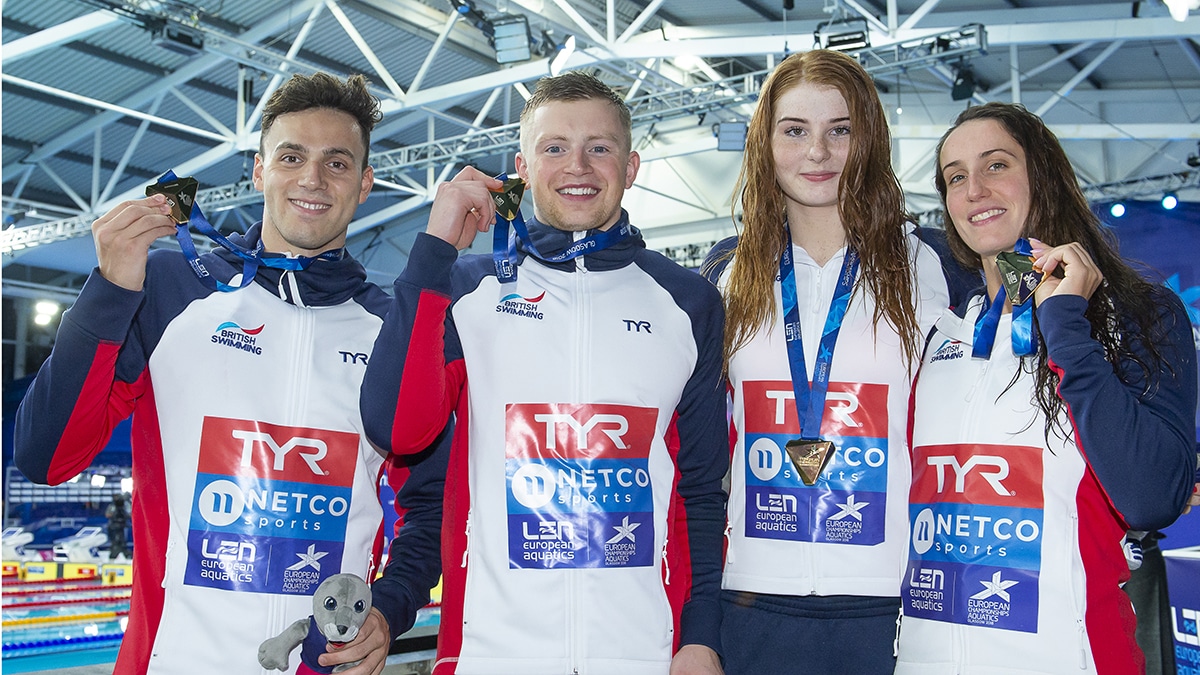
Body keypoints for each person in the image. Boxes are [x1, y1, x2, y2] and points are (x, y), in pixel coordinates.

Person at [13, 72, 446, 675]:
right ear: (259, 171)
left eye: (338, 163)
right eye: (291, 156)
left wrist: (393, 606)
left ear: (366, 184)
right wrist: (108, 290)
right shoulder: (171, 290)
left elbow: (433, 504)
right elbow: (46, 455)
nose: (312, 179)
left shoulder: (391, 331)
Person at [360, 70, 728, 675]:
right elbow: (396, 429)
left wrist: (701, 636)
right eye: (554, 147)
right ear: (522, 167)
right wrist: (432, 250)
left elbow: (700, 491)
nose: (577, 166)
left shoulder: (686, 301)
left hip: (641, 653)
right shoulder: (464, 289)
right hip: (492, 655)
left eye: (599, 148)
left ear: (631, 167)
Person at [897, 102, 1197, 673]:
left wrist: (1065, 325)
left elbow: (1151, 498)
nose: (975, 190)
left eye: (996, 165)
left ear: (1044, 176)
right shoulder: (940, 335)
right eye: (956, 177)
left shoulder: (1136, 315)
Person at [699, 49, 972, 674]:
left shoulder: (934, 265)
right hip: (751, 599)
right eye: (795, 131)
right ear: (765, 144)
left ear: (868, 140)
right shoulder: (724, 272)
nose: (817, 153)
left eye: (839, 130)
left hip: (894, 603)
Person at [105, 493, 130, 560]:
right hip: (113, 526)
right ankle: (113, 555)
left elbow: (130, 514)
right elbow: (107, 514)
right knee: (115, 542)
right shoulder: (112, 506)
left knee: (122, 541)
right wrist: (113, 514)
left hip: (122, 526)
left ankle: (126, 555)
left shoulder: (126, 505)